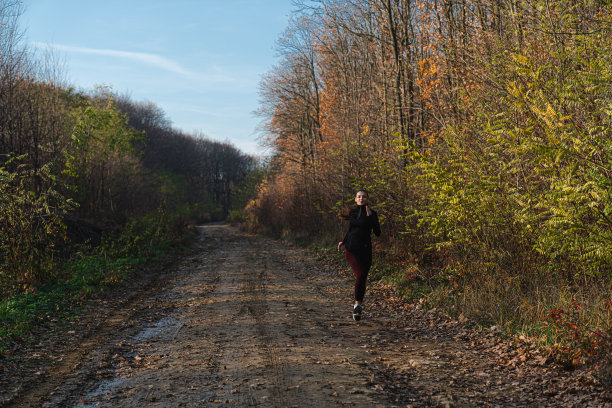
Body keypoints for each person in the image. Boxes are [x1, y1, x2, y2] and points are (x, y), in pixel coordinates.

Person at [337, 189, 381, 321]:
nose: (361, 198)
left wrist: (370, 218)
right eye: (359, 197)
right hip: (351, 249)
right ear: (356, 199)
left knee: (362, 278)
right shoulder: (353, 213)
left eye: (364, 197)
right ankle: (357, 304)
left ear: (367, 199)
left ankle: (358, 307)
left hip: (366, 250)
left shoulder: (372, 214)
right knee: (360, 274)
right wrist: (343, 242)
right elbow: (351, 230)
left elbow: (378, 232)